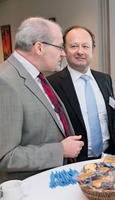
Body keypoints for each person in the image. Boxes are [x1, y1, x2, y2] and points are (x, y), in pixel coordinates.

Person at [0, 17, 84, 182]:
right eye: (60, 46)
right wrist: (60, 150)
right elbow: (6, 157)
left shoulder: (36, 75)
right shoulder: (5, 81)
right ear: (39, 47)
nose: (63, 53)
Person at [47, 26, 115, 161]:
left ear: (92, 50)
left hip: (109, 156)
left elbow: (112, 118)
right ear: (64, 50)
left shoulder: (105, 79)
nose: (80, 51)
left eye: (85, 46)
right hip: (75, 160)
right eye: (74, 46)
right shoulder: (52, 84)